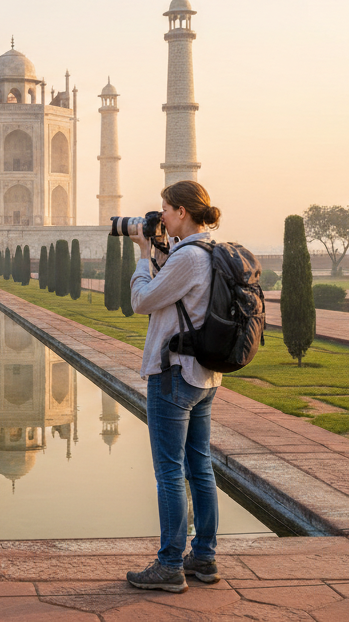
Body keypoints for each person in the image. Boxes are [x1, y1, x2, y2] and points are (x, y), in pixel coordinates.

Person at [125, 180, 223, 594]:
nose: (160, 216)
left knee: (169, 472)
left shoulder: (189, 257)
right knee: (199, 467)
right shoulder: (212, 249)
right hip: (203, 374)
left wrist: (142, 256)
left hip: (174, 373)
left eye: (165, 209)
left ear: (182, 212)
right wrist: (163, 253)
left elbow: (143, 301)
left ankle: (169, 564)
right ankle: (202, 556)